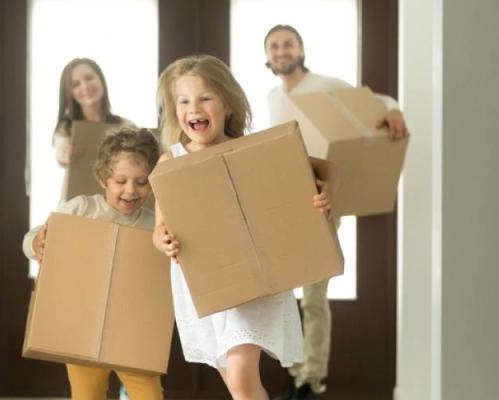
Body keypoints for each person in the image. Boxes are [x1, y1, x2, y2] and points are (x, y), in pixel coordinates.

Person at [153, 55, 335, 400]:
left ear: (228, 104)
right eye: (184, 101)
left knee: (240, 376)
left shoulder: (251, 152)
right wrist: (163, 240)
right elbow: (159, 229)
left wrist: (327, 191)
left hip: (254, 278)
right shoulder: (171, 162)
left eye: (205, 97)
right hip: (204, 286)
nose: (194, 108)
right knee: (239, 384)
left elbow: (328, 170)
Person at [262, 24, 410, 400]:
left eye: (288, 44)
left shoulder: (325, 85)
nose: (282, 51)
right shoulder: (272, 97)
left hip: (321, 201)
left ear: (301, 49)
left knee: (313, 295)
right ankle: (296, 374)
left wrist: (393, 110)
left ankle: (311, 381)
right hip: (284, 202)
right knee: (282, 294)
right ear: (267, 56)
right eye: (275, 46)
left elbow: (377, 101)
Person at [23, 128, 164, 400]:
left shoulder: (153, 224)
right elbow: (31, 238)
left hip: (134, 330)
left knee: (149, 395)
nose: (131, 191)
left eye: (142, 182)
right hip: (83, 324)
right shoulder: (80, 210)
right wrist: (37, 244)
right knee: (87, 395)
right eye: (120, 181)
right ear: (103, 178)